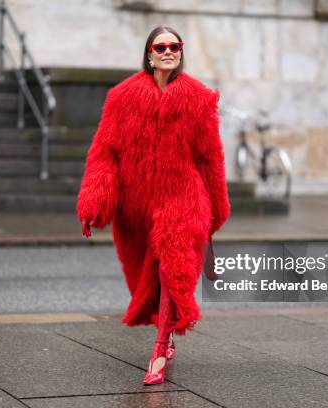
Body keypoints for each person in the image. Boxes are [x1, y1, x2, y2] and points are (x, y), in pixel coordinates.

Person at [76, 26, 230, 385]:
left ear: (181, 52)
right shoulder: (123, 98)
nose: (167, 51)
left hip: (182, 195)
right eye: (160, 46)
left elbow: (210, 159)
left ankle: (158, 351)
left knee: (170, 266)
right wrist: (93, 200)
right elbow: (105, 152)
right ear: (149, 54)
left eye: (174, 46)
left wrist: (216, 209)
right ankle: (167, 328)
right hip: (138, 202)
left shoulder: (198, 99)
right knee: (149, 278)